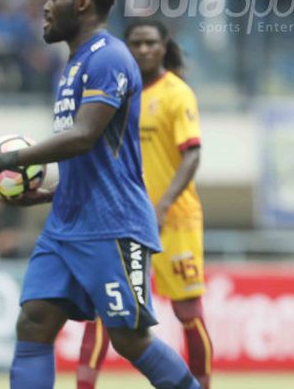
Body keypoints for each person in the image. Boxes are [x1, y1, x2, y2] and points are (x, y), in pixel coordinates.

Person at [0, 0, 202, 389]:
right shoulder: (72, 65)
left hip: (113, 225)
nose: (45, 7)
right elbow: (92, 157)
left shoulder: (109, 57)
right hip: (66, 226)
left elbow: (85, 136)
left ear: (83, 3)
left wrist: (1, 162)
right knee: (34, 322)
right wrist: (50, 190)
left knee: (129, 339)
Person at [77, 19, 211, 389]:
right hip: (123, 218)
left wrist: (163, 205)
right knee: (105, 310)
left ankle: (202, 384)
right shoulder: (119, 93)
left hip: (175, 219)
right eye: (135, 43)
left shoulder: (177, 94)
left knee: (187, 312)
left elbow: (192, 155)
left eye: (150, 42)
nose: (142, 50)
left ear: (164, 45)